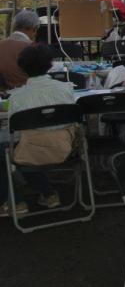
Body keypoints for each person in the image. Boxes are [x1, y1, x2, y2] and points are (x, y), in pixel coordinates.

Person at [0, 44, 77, 215]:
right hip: (65, 148)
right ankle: (48, 194)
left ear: (22, 68)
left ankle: (13, 201)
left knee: (10, 147)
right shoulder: (66, 89)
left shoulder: (17, 97)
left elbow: (14, 132)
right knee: (31, 142)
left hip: (29, 151)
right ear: (50, 65)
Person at [0, 8, 39, 91]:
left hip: (3, 95)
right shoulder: (32, 47)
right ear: (34, 29)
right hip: (26, 94)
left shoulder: (1, 44)